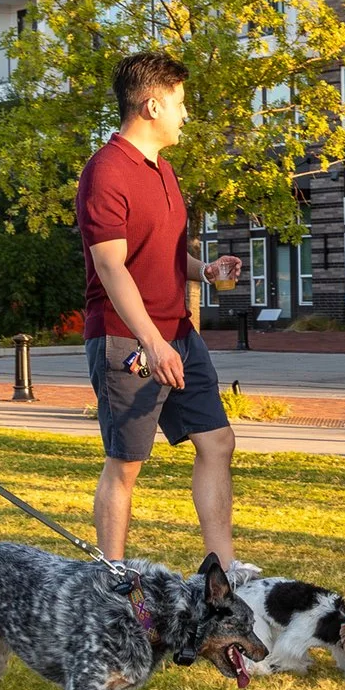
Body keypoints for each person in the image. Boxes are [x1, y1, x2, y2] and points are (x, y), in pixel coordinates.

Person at [77, 51, 250, 572]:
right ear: (152, 105)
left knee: (218, 441)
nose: (185, 114)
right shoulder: (105, 172)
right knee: (126, 463)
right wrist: (151, 342)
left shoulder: (164, 172)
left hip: (178, 333)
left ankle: (223, 568)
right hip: (127, 340)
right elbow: (111, 267)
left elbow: (163, 256)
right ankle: (114, 577)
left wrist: (206, 271)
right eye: (179, 102)